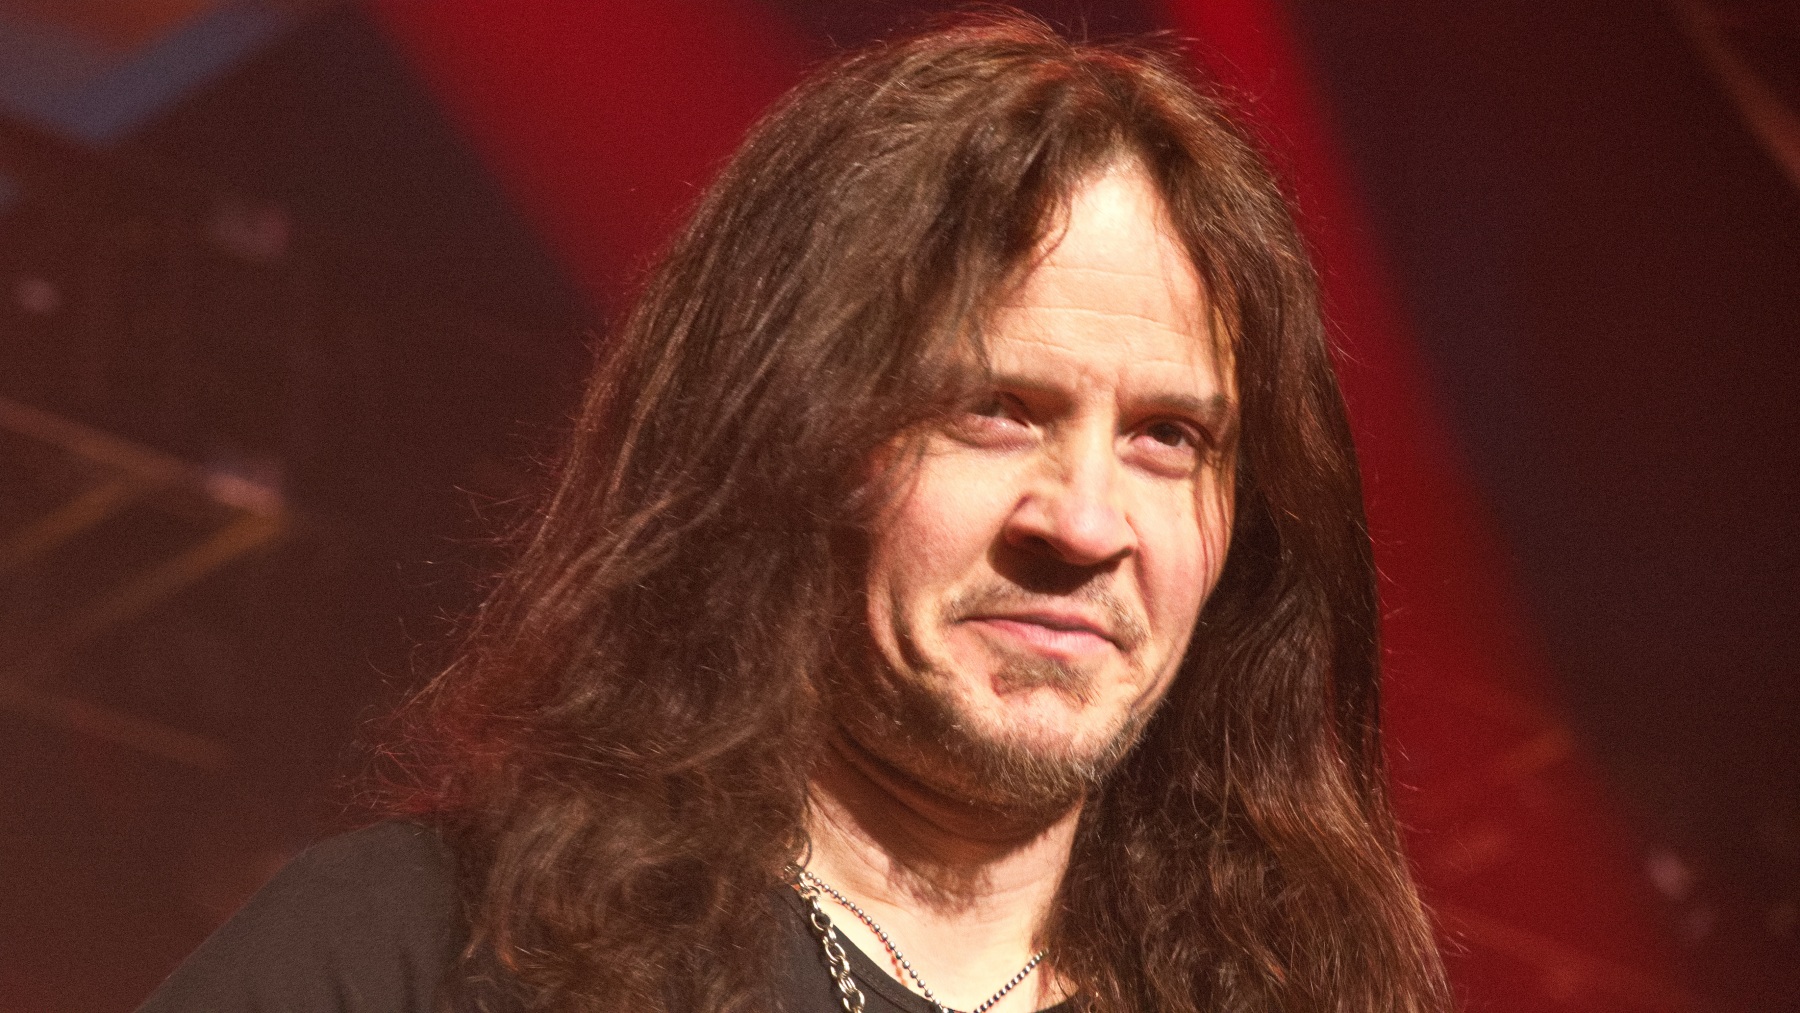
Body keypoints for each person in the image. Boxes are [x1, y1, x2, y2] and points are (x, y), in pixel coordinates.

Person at [140, 11, 1450, 1013]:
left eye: (1169, 438)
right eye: (993, 409)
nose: (1086, 522)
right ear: (786, 438)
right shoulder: (415, 953)